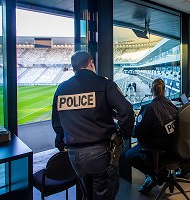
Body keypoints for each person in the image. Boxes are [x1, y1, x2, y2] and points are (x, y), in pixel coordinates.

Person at [52, 51, 135, 200]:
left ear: (74, 69)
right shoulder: (104, 83)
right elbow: (127, 110)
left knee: (87, 194)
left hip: (73, 155)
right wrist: (123, 134)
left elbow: (57, 123)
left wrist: (62, 141)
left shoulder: (61, 89)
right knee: (105, 194)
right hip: (100, 153)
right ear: (91, 62)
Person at [125, 78, 178, 194]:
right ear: (164, 90)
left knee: (128, 155)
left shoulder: (149, 108)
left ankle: (152, 174)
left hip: (157, 149)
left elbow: (136, 132)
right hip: (173, 148)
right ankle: (160, 172)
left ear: (151, 89)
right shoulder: (171, 105)